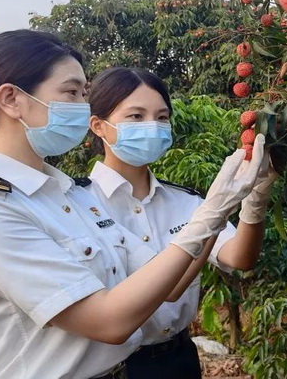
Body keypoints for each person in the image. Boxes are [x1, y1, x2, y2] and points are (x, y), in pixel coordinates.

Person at [0, 30, 265, 379]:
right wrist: (210, 216)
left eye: (84, 93)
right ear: (11, 99)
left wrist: (235, 207)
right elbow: (109, 321)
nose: (83, 107)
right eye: (71, 93)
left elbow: (167, 288)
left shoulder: (67, 197)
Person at [84, 67, 277, 378]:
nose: (152, 126)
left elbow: (239, 257)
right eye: (136, 116)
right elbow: (168, 289)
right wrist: (214, 214)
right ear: (99, 126)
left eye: (161, 117)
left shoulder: (185, 202)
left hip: (180, 357)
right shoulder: (76, 205)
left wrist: (255, 200)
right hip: (115, 366)